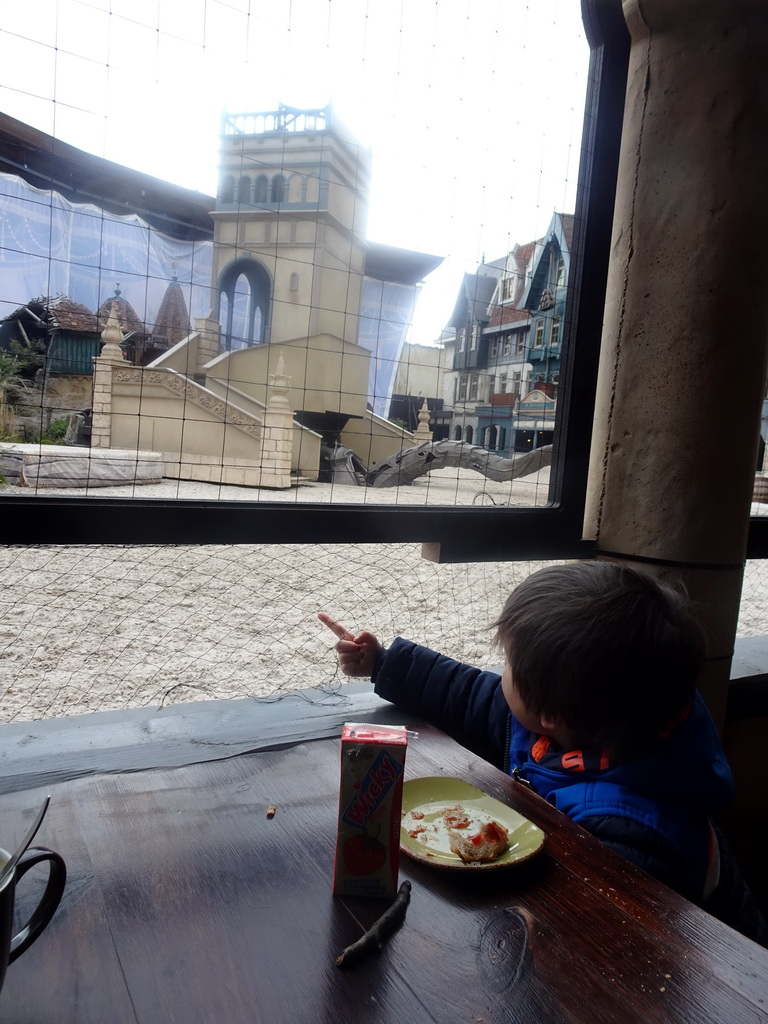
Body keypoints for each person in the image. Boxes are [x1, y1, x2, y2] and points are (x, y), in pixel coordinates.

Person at [319, 560, 768, 946]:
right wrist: (385, 663)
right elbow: (472, 697)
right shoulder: (609, 718)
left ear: (549, 711)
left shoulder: (631, 835)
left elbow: (596, 930)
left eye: (509, 664)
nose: (502, 673)